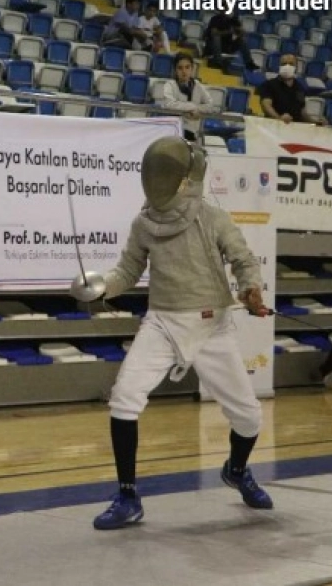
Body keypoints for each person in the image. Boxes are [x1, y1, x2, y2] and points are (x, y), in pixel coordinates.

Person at [69, 136, 273, 530]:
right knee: (125, 399)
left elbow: (244, 261)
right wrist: (100, 288)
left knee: (248, 417)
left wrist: (250, 290)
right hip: (162, 321)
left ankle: (236, 469)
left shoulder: (213, 217)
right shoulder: (144, 223)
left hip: (212, 326)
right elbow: (127, 273)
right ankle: (128, 496)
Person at [158, 53, 221, 141]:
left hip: (193, 132)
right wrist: (192, 107)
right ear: (175, 70)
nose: (184, 71)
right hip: (173, 132)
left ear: (192, 69)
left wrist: (197, 109)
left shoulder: (198, 86)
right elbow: (169, 104)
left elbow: (210, 105)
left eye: (187, 67)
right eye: (180, 68)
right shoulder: (170, 85)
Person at [257, 53, 322, 124]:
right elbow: (266, 106)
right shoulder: (269, 84)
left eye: (291, 64)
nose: (287, 66)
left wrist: (315, 122)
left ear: (296, 68)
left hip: (294, 128)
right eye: (284, 64)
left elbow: (302, 111)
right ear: (279, 66)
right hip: (274, 126)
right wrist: (279, 118)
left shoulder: (299, 87)